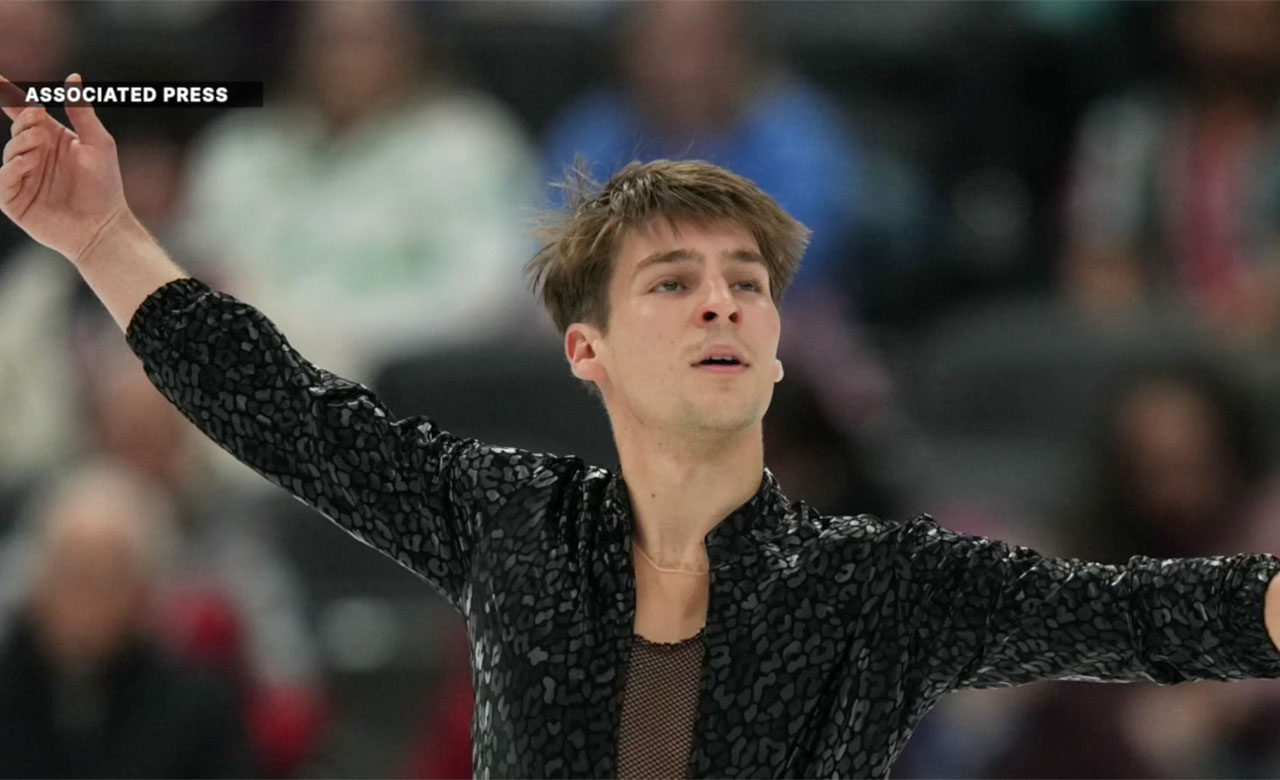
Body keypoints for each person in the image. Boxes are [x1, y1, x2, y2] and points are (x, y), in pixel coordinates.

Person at [5, 75, 1280, 780]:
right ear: (587, 349)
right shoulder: (506, 518)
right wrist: (104, 236)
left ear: (778, 350)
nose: (720, 300)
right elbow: (277, 407)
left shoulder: (878, 586)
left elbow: (1151, 614)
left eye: (745, 282)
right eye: (672, 281)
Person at [0, 462, 251, 778]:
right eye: (70, 571)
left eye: (106, 578)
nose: (84, 596)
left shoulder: (195, 707)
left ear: (143, 594)